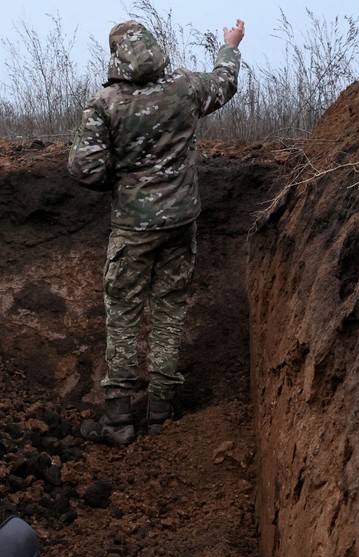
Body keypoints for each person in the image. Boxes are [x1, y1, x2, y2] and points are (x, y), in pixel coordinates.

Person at [68, 18, 245, 444]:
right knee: (169, 311)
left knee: (124, 317)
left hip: (133, 228)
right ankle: (163, 412)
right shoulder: (184, 86)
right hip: (182, 222)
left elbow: (83, 168)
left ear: (116, 56)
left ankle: (118, 422)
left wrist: (124, 179)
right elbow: (224, 83)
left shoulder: (106, 103)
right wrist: (230, 46)